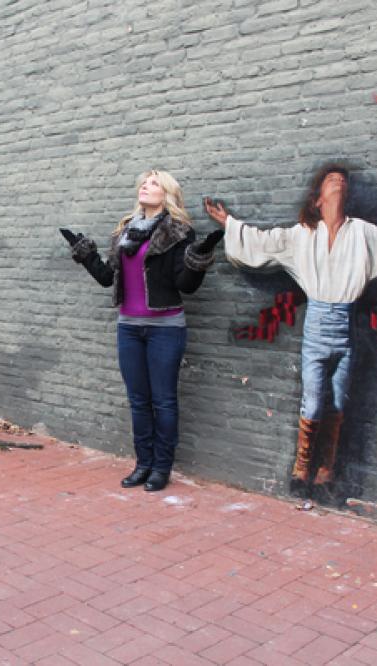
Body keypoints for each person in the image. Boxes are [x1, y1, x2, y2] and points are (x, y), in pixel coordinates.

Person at [204, 163, 377, 500]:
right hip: (316, 328)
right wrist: (229, 223)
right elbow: (263, 243)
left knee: (339, 399)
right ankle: (302, 466)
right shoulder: (302, 235)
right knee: (313, 401)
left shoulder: (363, 234)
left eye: (342, 180)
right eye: (331, 180)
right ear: (317, 200)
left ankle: (326, 468)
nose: (338, 183)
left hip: (344, 328)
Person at [62, 170, 222, 492]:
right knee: (138, 400)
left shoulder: (179, 232)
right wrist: (86, 253)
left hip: (165, 328)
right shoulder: (125, 231)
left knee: (163, 401)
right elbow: (109, 278)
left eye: (153, 184)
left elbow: (184, 286)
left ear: (167, 194)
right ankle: (143, 463)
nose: (145, 188)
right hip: (129, 329)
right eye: (143, 183)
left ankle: (161, 467)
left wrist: (197, 259)